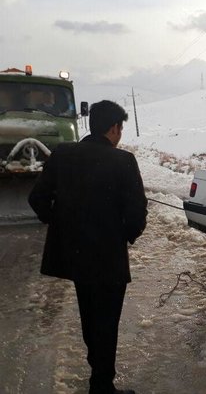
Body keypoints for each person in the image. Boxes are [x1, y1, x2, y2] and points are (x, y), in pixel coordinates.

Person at [29, 100, 147, 394]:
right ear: (113, 128)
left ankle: (99, 373)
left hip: (76, 255)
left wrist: (60, 223)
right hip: (108, 258)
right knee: (106, 321)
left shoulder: (63, 155)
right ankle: (102, 385)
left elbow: (37, 198)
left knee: (90, 315)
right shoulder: (123, 161)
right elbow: (136, 215)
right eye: (120, 128)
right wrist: (124, 235)